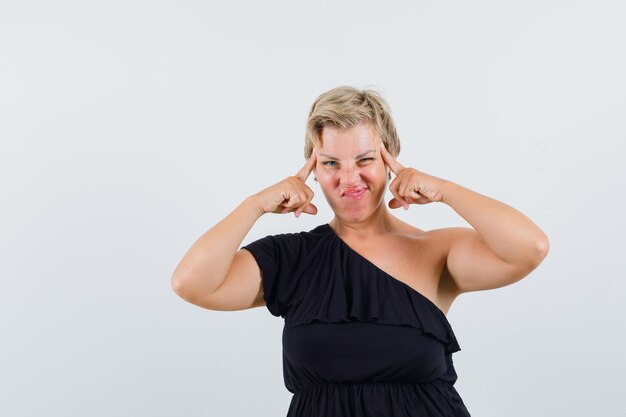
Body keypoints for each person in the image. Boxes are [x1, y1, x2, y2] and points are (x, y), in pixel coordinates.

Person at [171, 86, 550, 417]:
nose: (349, 179)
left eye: (365, 160)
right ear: (313, 169)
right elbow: (192, 283)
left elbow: (529, 248)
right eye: (331, 163)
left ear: (390, 158)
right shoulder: (291, 258)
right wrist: (254, 205)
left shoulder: (435, 250)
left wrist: (445, 190)